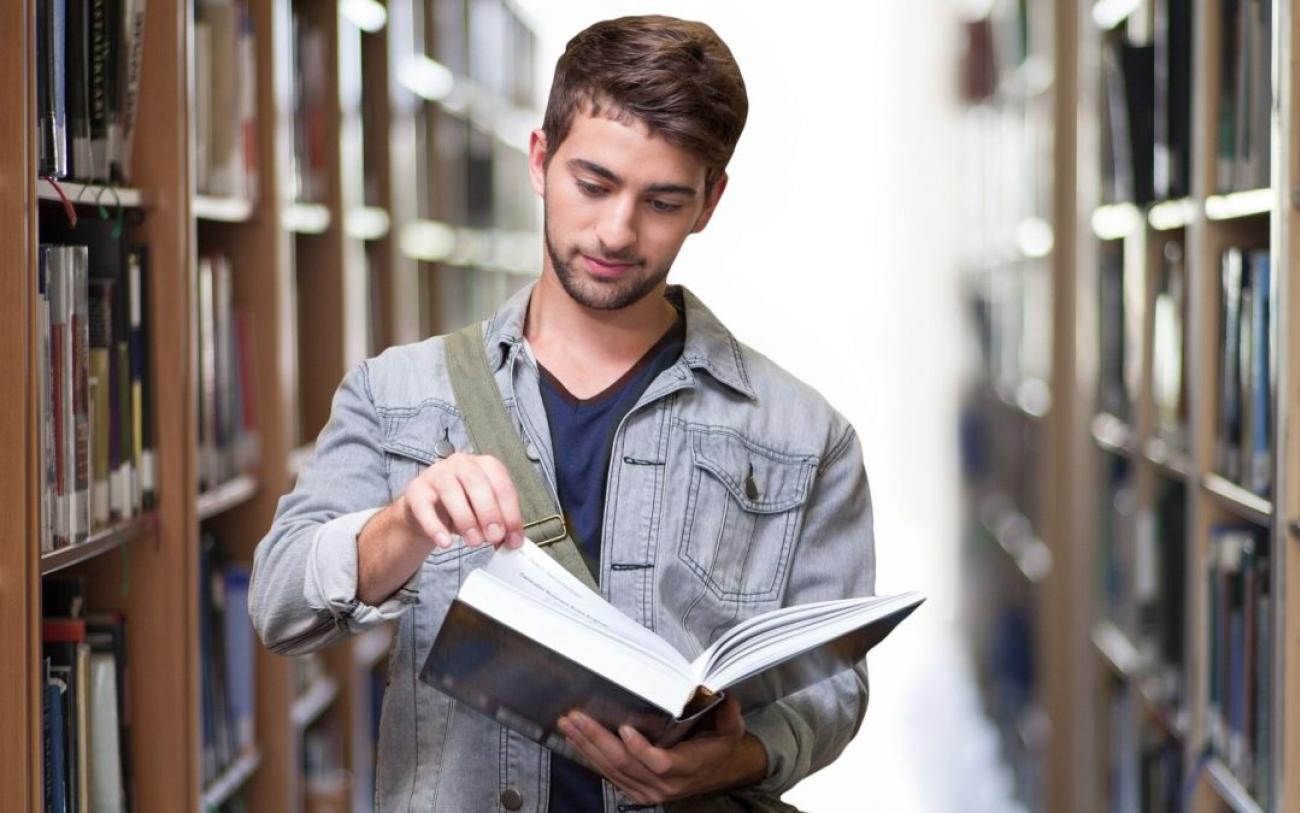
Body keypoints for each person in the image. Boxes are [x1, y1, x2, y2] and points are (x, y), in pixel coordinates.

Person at [250, 14, 876, 812]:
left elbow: (835, 688)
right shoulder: (396, 392)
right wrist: (400, 525)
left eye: (662, 200)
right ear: (541, 160)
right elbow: (278, 603)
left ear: (709, 202)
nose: (617, 231)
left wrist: (739, 757)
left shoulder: (806, 436)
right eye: (595, 184)